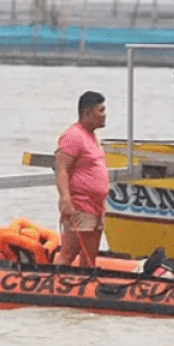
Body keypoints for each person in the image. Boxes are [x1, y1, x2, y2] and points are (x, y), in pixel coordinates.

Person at [55, 91, 109, 267]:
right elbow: (61, 169)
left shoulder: (93, 137)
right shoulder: (73, 136)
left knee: (90, 255)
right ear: (87, 113)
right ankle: (55, 282)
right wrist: (65, 199)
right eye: (100, 110)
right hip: (80, 204)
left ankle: (85, 286)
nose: (104, 114)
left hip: (96, 205)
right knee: (69, 252)